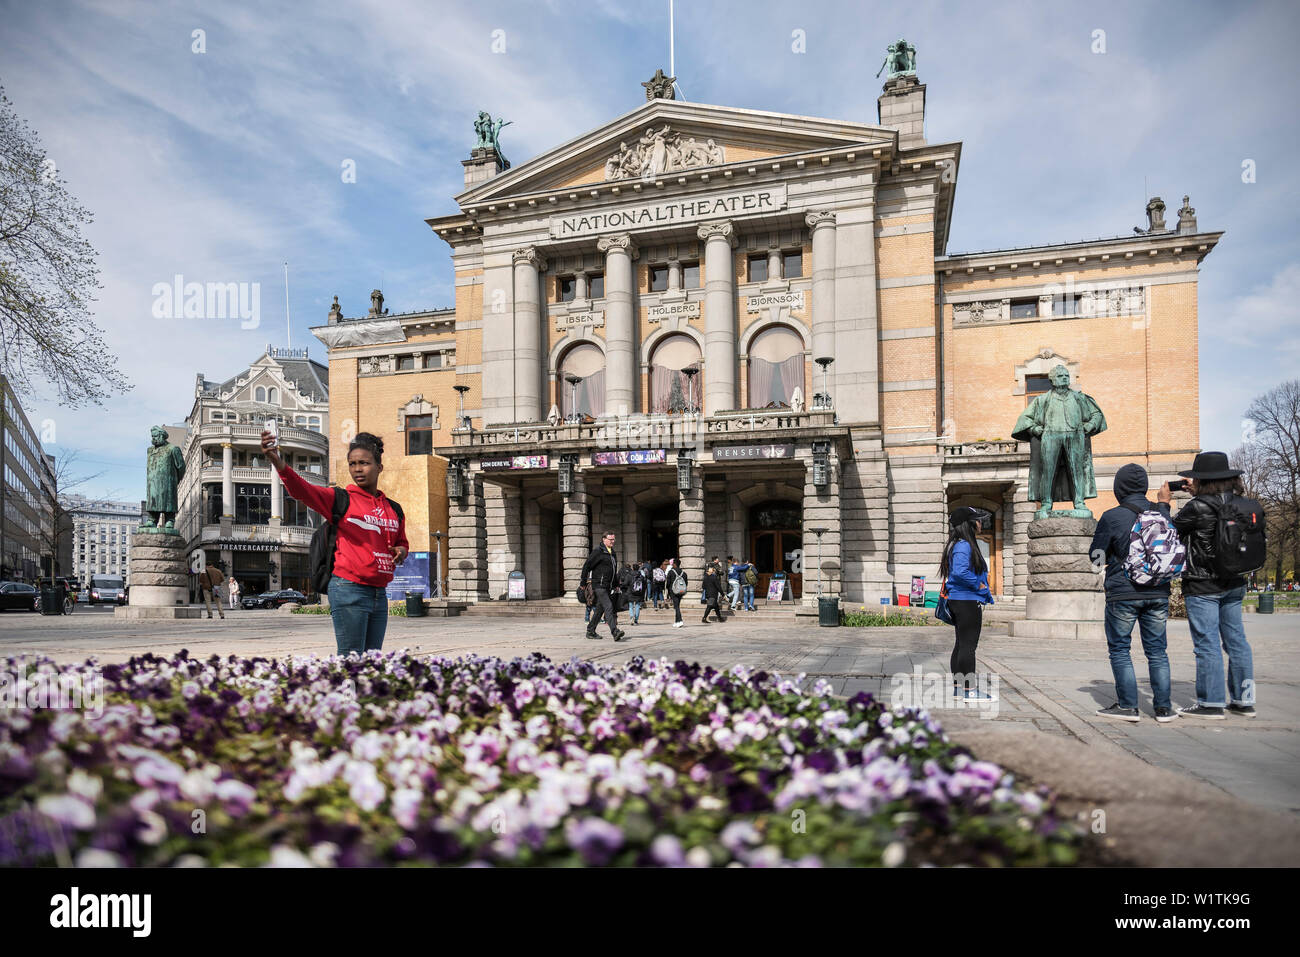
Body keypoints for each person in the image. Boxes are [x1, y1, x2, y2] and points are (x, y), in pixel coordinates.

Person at [264, 430, 408, 655]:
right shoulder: (340, 499)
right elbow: (303, 491)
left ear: (379, 467)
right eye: (352, 464)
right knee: (351, 659)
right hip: (349, 588)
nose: (357, 469)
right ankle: (344, 692)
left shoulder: (393, 508)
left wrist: (401, 550)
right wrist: (278, 462)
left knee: (372, 660)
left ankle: (363, 692)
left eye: (364, 463)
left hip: (379, 593)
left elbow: (402, 542)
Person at [1088, 464, 1177, 723]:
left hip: (1123, 593)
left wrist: (1106, 561)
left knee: (1120, 650)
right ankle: (1163, 708)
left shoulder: (1112, 516)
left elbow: (1096, 557)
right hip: (1158, 591)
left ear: (1119, 488)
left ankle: (1128, 706)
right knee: (1158, 651)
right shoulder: (1161, 513)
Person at [1172, 452, 1257, 719]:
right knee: (1237, 641)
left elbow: (1171, 528)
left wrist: (1174, 502)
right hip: (1234, 581)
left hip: (1203, 584)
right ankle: (1244, 701)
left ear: (1201, 481)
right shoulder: (1245, 504)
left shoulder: (1197, 507)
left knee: (1207, 643)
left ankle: (1210, 703)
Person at [939, 506, 995, 700]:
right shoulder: (964, 546)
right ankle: (969, 691)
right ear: (969, 524)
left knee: (961, 645)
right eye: (977, 520)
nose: (980, 523)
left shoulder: (959, 544)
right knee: (968, 647)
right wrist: (979, 586)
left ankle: (959, 689)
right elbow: (960, 573)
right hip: (966, 601)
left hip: (961, 600)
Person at [580, 531, 626, 641]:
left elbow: (613, 571)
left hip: (607, 586)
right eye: (610, 539)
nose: (613, 541)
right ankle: (615, 632)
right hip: (599, 585)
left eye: (614, 539)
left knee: (600, 609)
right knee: (608, 606)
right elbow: (587, 566)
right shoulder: (598, 552)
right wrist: (583, 582)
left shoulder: (612, 553)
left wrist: (615, 584)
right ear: (604, 539)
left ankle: (590, 631)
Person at [665, 558, 686, 628]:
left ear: (674, 564)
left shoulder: (671, 572)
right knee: (677, 605)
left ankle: (680, 621)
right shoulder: (684, 573)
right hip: (681, 591)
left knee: (676, 607)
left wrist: (668, 590)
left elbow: (668, 583)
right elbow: (686, 583)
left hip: (673, 591)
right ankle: (676, 621)